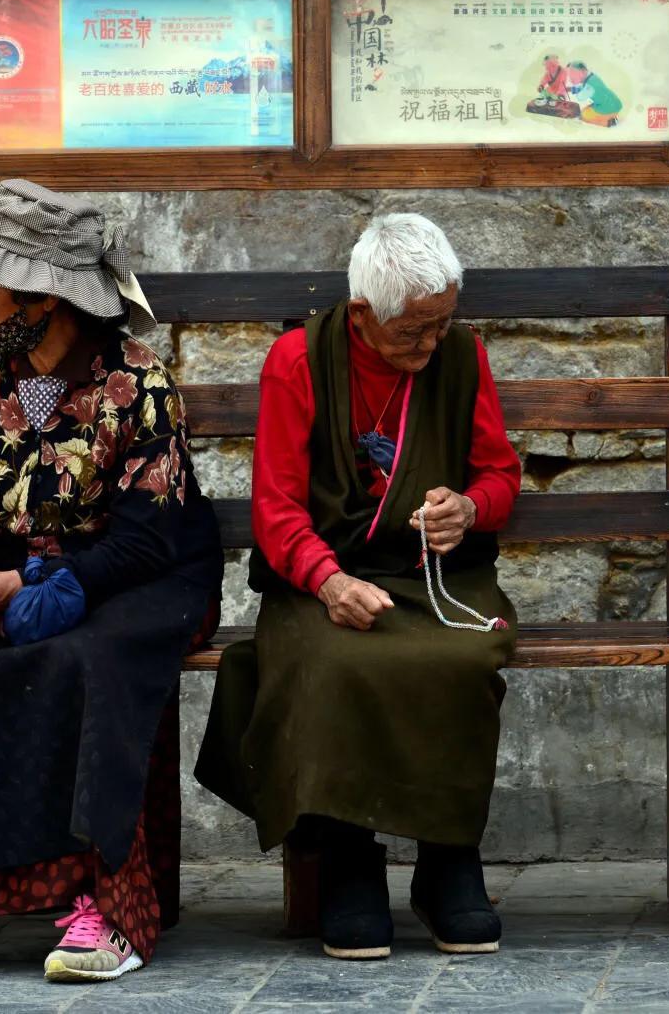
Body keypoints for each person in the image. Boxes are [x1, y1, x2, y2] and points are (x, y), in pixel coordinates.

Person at [0, 180, 221, 985]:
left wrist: (19, 585)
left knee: (86, 661)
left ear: (44, 298)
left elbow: (144, 542)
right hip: (19, 574)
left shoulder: (140, 385)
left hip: (143, 577)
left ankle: (104, 908)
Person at [195, 213, 522, 961]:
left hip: (436, 578)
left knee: (463, 661)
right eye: (414, 331)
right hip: (317, 582)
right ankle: (347, 857)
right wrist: (328, 579)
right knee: (334, 662)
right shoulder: (298, 362)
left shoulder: (462, 357)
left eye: (442, 325)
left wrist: (468, 510)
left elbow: (498, 474)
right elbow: (276, 507)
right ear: (364, 314)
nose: (431, 344)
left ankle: (448, 857)